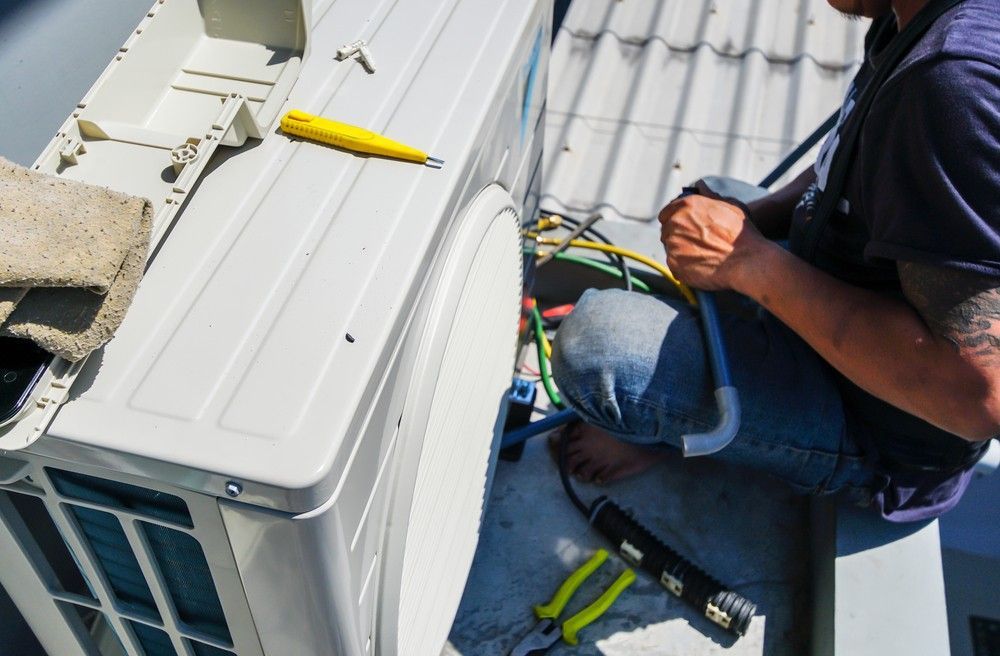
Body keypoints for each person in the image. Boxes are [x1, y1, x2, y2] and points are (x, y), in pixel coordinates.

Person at [550, 0, 999, 521]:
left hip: (880, 425)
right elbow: (853, 158)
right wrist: (757, 220)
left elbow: (976, 396)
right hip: (833, 298)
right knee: (714, 199)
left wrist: (752, 263)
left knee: (599, 350)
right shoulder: (907, 15)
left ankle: (667, 434)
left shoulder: (951, 83)